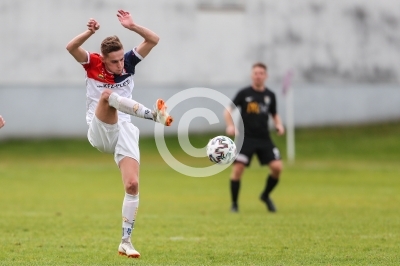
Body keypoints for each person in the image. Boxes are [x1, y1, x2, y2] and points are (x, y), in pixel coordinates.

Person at [66, 10, 173, 258]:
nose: (119, 65)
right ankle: (153, 115)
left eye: (120, 60)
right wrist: (89, 32)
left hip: (125, 128)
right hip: (99, 127)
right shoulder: (91, 62)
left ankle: (126, 241)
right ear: (102, 59)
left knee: (133, 185)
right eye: (113, 62)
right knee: (107, 97)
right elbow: (71, 47)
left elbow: (154, 40)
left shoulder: (128, 63)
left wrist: (133, 26)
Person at [224, 62, 285, 213]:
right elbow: (228, 110)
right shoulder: (244, 93)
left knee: (277, 168)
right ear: (252, 75)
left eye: (261, 73)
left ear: (266, 76)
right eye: (256, 73)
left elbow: (274, 114)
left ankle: (265, 195)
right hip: (246, 139)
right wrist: (230, 125)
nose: (258, 76)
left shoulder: (270, 95)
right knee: (238, 169)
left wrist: (279, 125)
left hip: (264, 138)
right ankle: (234, 205)